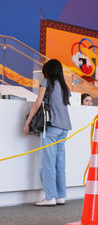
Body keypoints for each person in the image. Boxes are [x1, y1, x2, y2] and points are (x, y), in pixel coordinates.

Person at [24, 59, 72, 206]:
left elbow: (38, 103)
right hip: (64, 127)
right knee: (59, 162)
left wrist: (27, 123)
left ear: (48, 71)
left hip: (51, 127)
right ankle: (60, 196)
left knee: (47, 163)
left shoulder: (46, 82)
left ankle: (49, 197)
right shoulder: (65, 86)